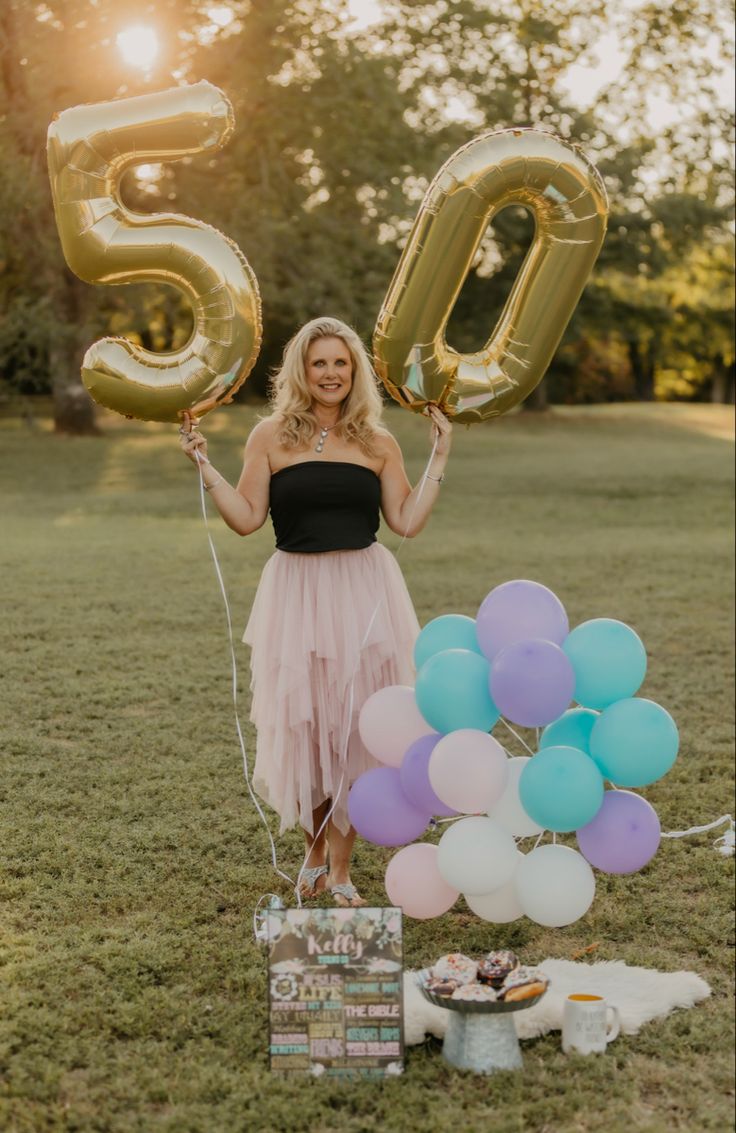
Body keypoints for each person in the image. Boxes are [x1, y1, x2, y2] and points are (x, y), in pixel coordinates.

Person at [179, 316, 452, 907]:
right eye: (319, 363)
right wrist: (205, 466)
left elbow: (406, 521)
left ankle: (343, 868)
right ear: (302, 371)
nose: (330, 374)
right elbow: (248, 518)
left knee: (356, 729)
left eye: (341, 363)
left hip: (363, 588)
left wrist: (440, 455)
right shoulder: (271, 436)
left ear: (354, 372)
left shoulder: (378, 441)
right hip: (297, 592)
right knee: (308, 728)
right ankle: (312, 856)